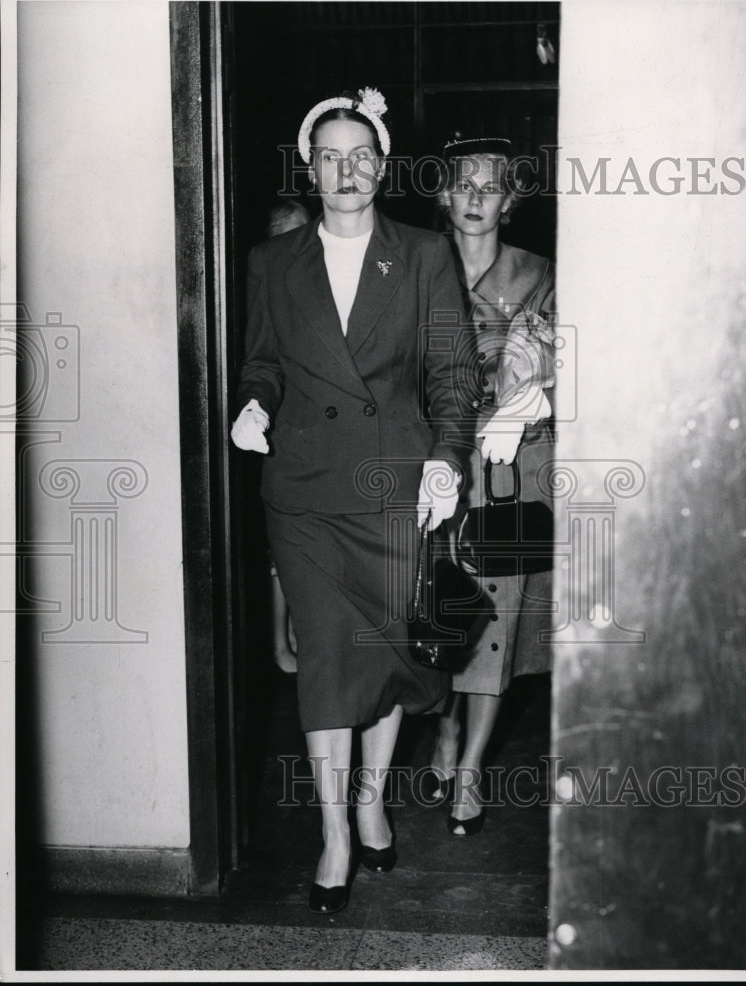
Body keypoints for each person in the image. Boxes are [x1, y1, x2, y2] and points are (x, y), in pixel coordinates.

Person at [231, 88, 467, 913]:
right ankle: (335, 831)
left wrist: (446, 460)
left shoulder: (424, 255)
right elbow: (262, 358)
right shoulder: (272, 263)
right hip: (302, 493)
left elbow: (450, 374)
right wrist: (253, 400)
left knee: (386, 651)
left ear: (382, 164)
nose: (347, 169)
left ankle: (372, 794)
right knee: (329, 656)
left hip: (392, 488)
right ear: (310, 165)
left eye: (361, 154)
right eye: (330, 154)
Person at [428, 135, 556, 836]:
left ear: (509, 202)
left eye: (491, 187)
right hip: (432, 462)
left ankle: (471, 764)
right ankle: (444, 727)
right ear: (443, 195)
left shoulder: (539, 273)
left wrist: (527, 395)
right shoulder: (412, 265)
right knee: (437, 607)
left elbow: (555, 361)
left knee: (495, 621)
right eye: (462, 184)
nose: (476, 197)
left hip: (509, 468)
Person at [262, 197, 311, 675]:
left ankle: (301, 632)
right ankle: (281, 642)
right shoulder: (266, 286)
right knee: (281, 550)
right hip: (277, 431)